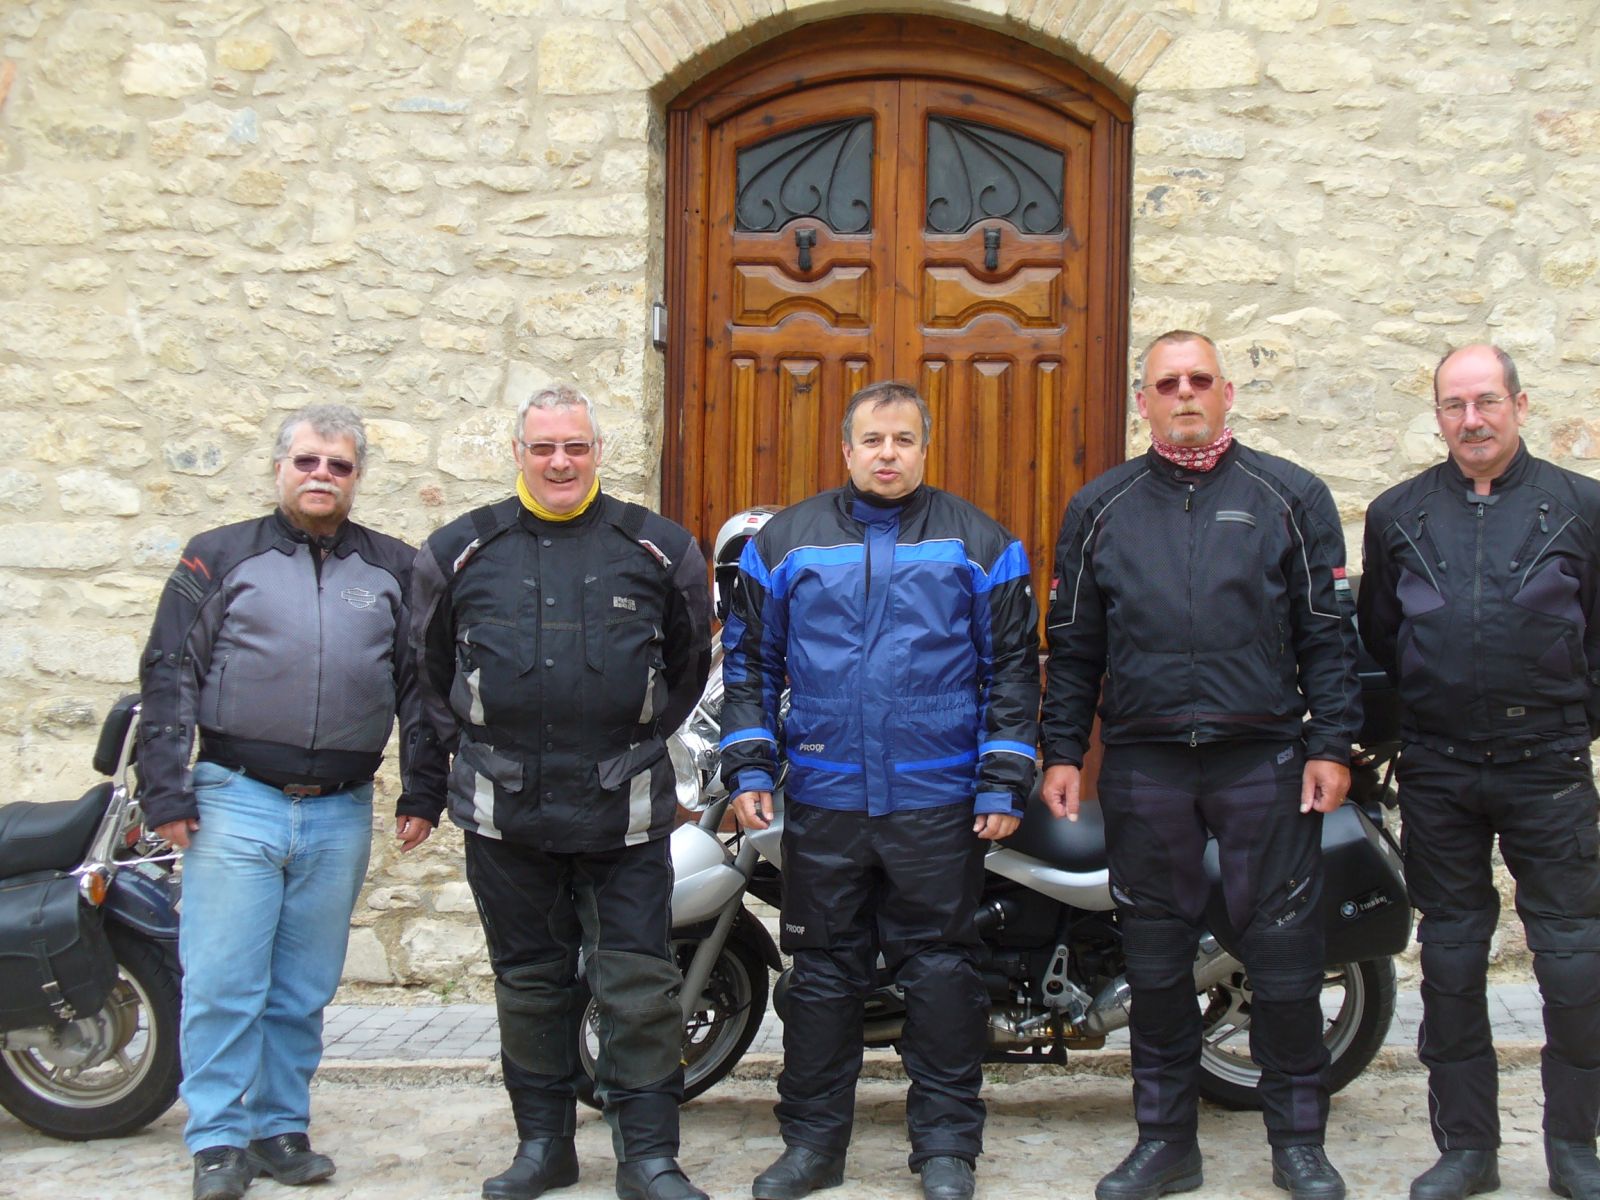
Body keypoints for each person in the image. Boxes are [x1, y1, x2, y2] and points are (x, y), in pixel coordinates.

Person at [1040, 331, 1362, 1200]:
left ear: (1226, 393)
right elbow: (1073, 646)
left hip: (1262, 759)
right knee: (1154, 963)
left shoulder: (1290, 494)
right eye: (1167, 383)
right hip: (1146, 765)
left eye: (1199, 380)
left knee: (1286, 960)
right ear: (1142, 401)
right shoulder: (1100, 506)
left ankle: (1299, 1144)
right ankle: (1165, 1144)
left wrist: (1331, 744)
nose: (1184, 394)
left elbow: (1327, 636)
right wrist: (1062, 751)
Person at [720, 380, 1040, 1200]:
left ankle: (946, 1151)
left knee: (941, 975)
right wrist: (749, 765)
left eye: (903, 440)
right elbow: (749, 663)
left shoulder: (980, 541)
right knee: (823, 977)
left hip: (936, 800)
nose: (887, 454)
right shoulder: (784, 542)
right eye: (873, 440)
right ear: (847, 449)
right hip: (826, 797)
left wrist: (1003, 778)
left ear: (924, 448)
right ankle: (812, 1147)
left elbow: (1012, 668)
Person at [408, 384, 712, 1200]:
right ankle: (544, 1147)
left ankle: (649, 1158)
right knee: (531, 984)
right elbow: (429, 675)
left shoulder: (660, 548)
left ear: (598, 451)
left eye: (575, 446)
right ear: (518, 453)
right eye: (543, 447)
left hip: (624, 813)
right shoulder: (458, 549)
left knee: (639, 989)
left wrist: (624, 738)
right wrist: (466, 763)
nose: (560, 462)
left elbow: (685, 670)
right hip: (506, 814)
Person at [138, 404, 423, 1200]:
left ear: (357, 478)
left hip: (340, 806)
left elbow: (420, 686)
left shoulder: (396, 567)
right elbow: (170, 669)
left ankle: (279, 1127)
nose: (322, 475)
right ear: (278, 469)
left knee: (302, 986)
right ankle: (218, 1139)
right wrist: (165, 787)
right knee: (225, 980)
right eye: (307, 462)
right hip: (236, 798)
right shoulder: (217, 555)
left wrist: (424, 786)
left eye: (339, 465)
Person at [1359, 343, 1600, 1200]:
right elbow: (1382, 637)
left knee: (1571, 962)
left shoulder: (1584, 507)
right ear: (1437, 416)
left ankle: (1574, 1148)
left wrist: (1568, 722)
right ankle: (1467, 1149)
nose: (1472, 420)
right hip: (1439, 769)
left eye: (1487, 401)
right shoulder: (1398, 514)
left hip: (1549, 769)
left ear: (1520, 406)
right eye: (1455, 405)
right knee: (1453, 962)